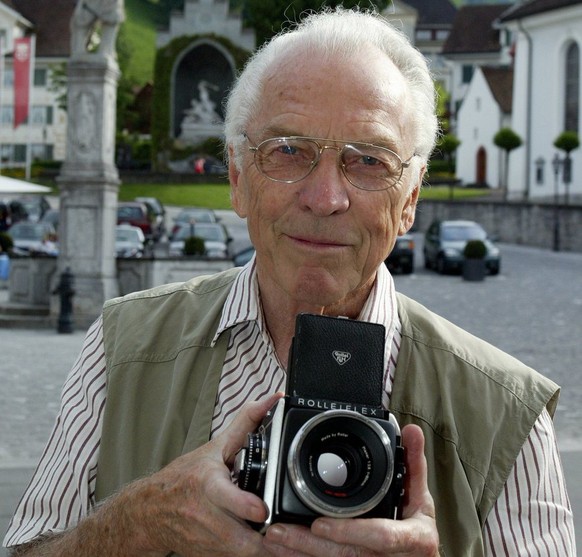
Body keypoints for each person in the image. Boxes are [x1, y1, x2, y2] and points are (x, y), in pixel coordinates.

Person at [3, 8, 574, 557]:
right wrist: (137, 522)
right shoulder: (123, 346)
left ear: (411, 201)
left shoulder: (506, 414)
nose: (325, 198)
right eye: (288, 151)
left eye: (369, 161)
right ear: (236, 179)